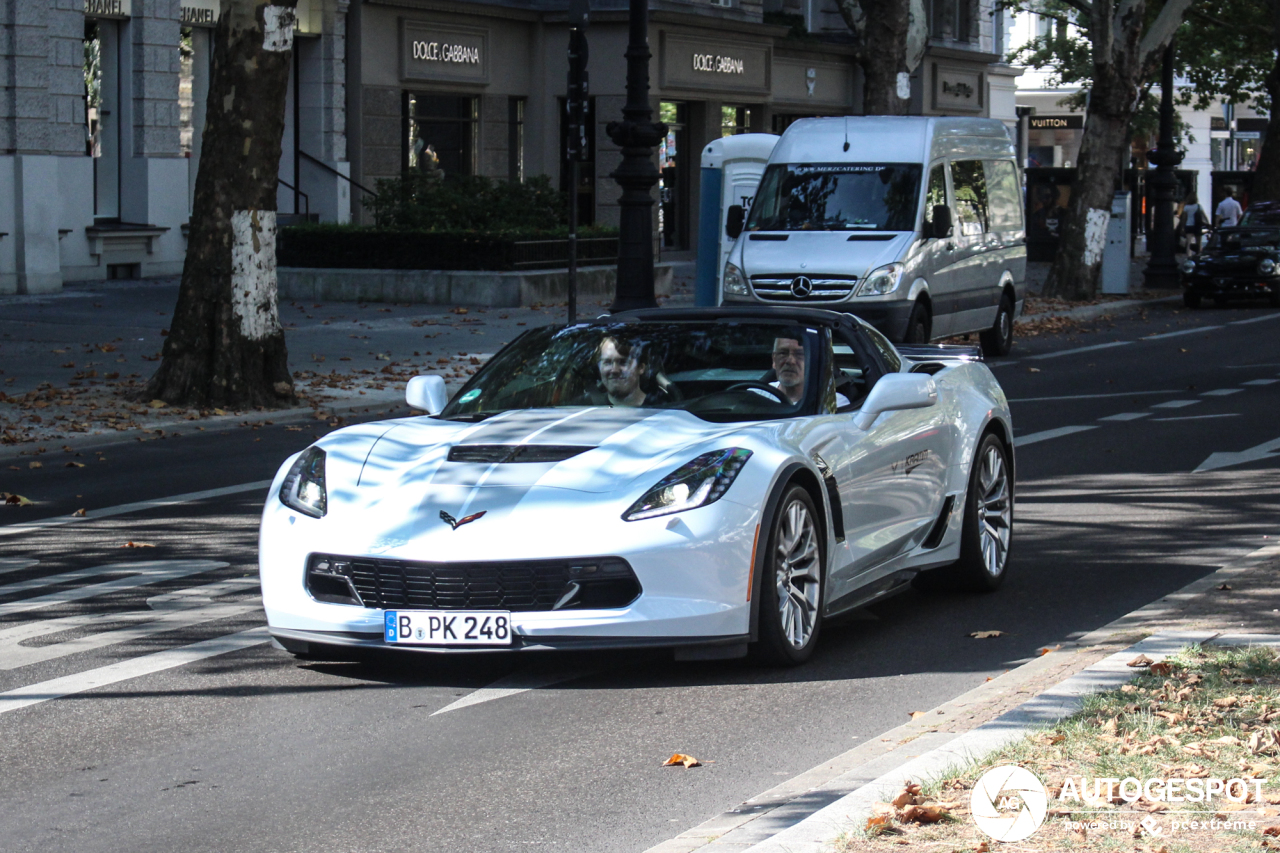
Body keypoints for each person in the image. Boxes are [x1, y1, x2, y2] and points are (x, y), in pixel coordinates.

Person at [769, 337, 850, 408]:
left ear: (813, 361)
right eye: (783, 353)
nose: (790, 361)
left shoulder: (833, 403)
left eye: (799, 354)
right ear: (774, 360)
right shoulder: (759, 395)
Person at [594, 337, 673, 407]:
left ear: (641, 368)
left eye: (623, 362)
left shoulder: (663, 409)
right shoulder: (585, 407)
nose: (614, 370)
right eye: (607, 362)